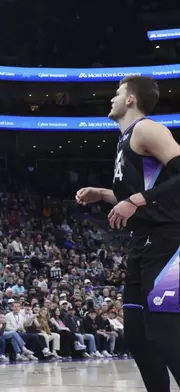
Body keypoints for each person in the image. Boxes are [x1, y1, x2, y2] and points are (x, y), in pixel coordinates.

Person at [76, 75, 180, 392]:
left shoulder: (147, 128)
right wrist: (105, 194)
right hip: (141, 244)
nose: (112, 99)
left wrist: (135, 200)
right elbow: (150, 188)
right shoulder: (124, 141)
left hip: (168, 239)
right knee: (135, 334)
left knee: (162, 331)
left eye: (118, 93)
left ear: (131, 99)